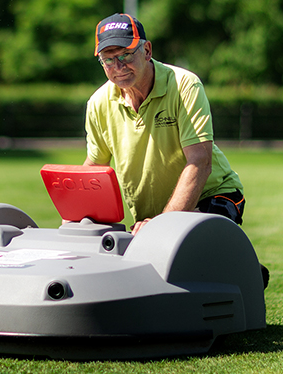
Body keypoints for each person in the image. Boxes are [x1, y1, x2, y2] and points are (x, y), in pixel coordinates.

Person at [84, 13, 248, 236]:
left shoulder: (184, 85)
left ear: (147, 51)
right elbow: (94, 169)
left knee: (187, 247)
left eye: (126, 55)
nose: (118, 66)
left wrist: (162, 224)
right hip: (153, 216)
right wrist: (76, 218)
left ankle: (234, 266)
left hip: (214, 194)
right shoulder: (98, 102)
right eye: (108, 60)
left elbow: (200, 161)